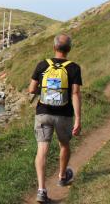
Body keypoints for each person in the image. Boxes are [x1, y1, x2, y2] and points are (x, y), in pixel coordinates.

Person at [28, 34, 83, 203]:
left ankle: (41, 190)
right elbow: (75, 93)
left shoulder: (43, 64)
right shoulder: (74, 68)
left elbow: (31, 89)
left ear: (54, 48)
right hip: (64, 115)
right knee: (64, 145)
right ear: (69, 49)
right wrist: (78, 119)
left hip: (43, 113)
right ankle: (62, 176)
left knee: (42, 150)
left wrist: (45, 92)